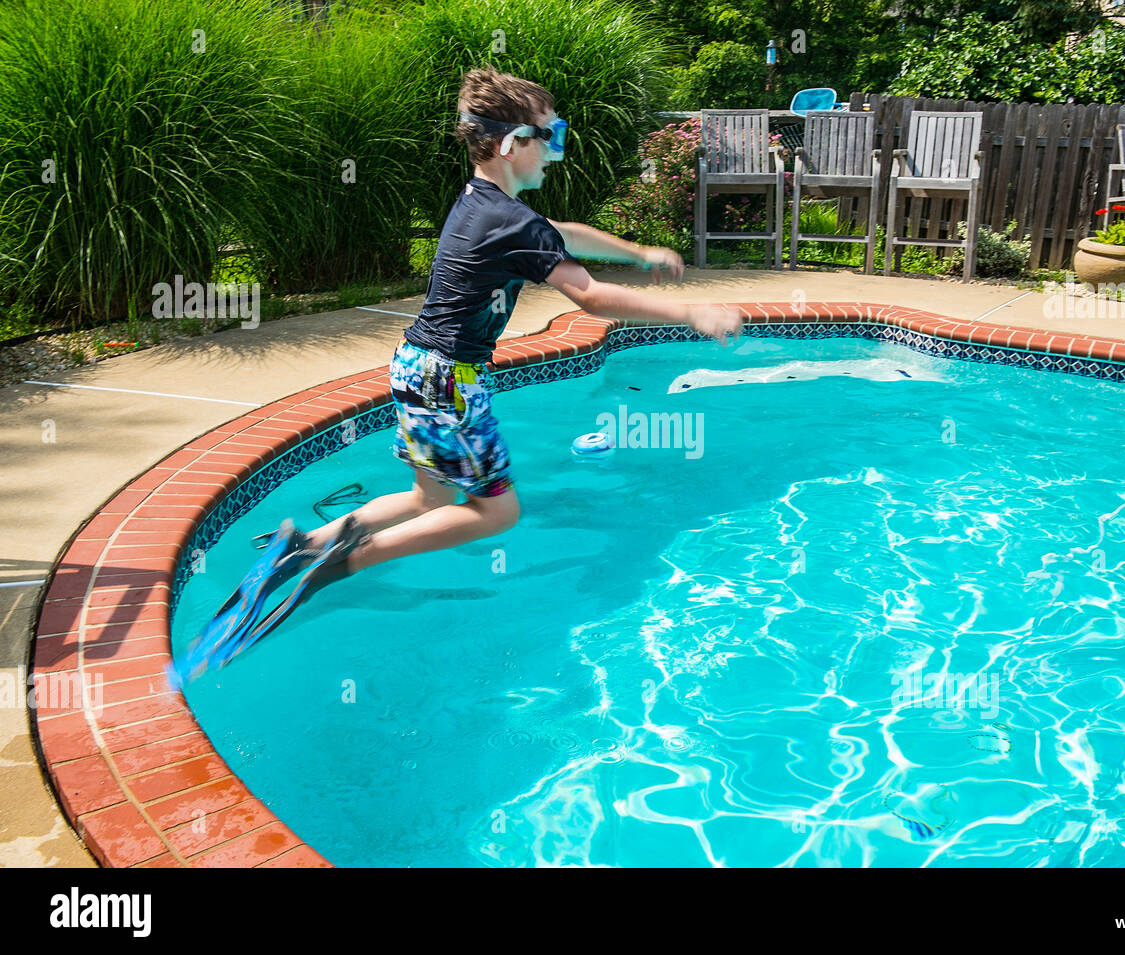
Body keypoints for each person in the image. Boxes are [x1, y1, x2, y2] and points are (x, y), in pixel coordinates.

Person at [169, 65, 743, 685]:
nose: (556, 150)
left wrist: (637, 252)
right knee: (497, 515)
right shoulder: (512, 221)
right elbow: (594, 299)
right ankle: (343, 563)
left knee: (428, 497)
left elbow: (562, 234)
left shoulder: (483, 204)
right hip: (451, 379)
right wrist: (693, 311)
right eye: (549, 137)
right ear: (508, 144)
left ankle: (306, 545)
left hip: (414, 366)